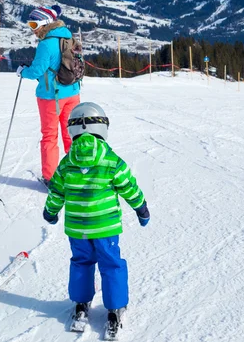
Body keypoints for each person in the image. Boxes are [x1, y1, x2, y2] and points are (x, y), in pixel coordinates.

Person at [42, 102, 150, 335]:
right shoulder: (111, 160)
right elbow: (128, 186)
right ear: (101, 127)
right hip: (105, 228)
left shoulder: (66, 163)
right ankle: (115, 308)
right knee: (111, 264)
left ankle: (81, 304)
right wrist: (141, 207)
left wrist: (50, 212)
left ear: (73, 130)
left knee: (81, 262)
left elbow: (57, 192)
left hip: (77, 229)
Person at [17, 5, 81, 186]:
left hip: (51, 96)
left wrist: (22, 71)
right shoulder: (68, 36)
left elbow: (37, 70)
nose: (32, 28)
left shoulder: (46, 44)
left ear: (44, 23)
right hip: (73, 92)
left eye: (33, 24)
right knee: (73, 133)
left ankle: (51, 178)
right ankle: (77, 173)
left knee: (50, 137)